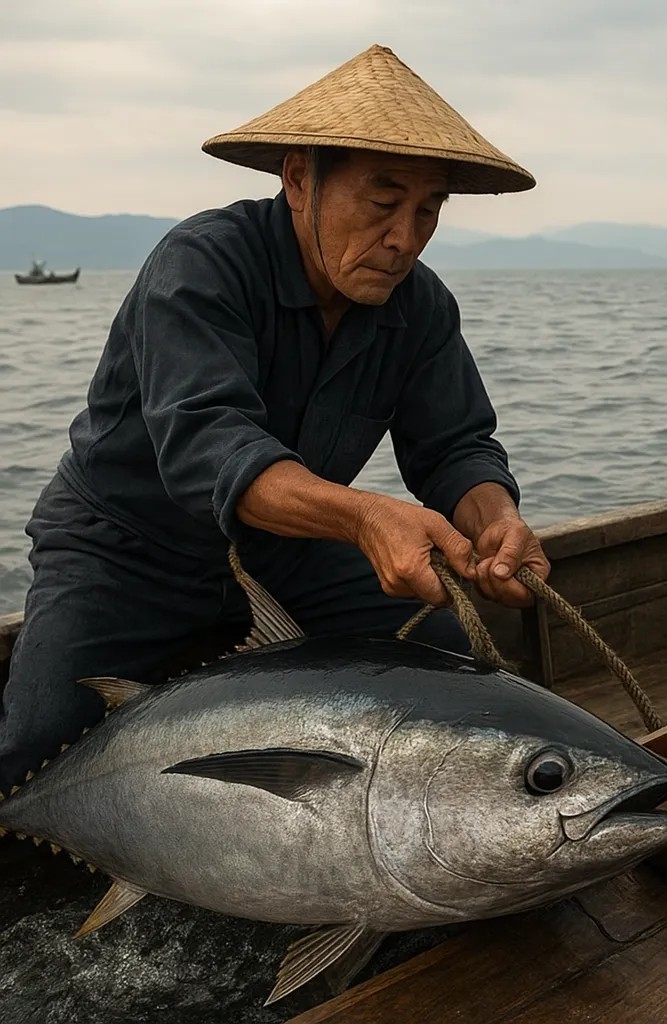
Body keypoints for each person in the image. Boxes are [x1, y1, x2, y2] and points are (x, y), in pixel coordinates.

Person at [0, 44, 550, 794]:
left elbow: (455, 445)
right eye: (382, 202)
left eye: (428, 210)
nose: (404, 238)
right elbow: (208, 443)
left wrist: (496, 519)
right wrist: (365, 518)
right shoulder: (203, 263)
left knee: (453, 661)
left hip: (285, 548)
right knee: (32, 752)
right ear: (298, 179)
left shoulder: (420, 306)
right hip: (122, 550)